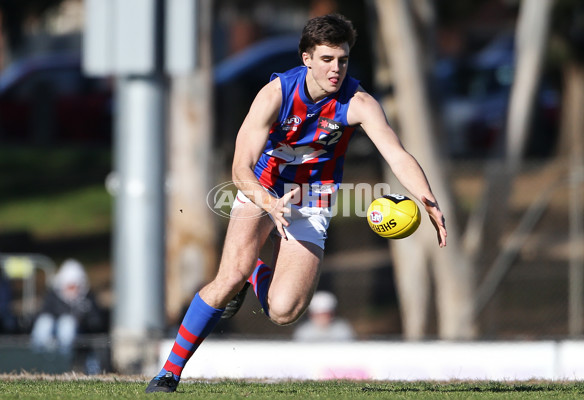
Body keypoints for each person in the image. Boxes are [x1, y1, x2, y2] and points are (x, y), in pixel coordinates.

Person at [146, 13, 446, 393]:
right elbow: (240, 167)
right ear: (306, 58)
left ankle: (256, 272)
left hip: (313, 198)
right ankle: (169, 373)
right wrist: (268, 203)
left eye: (343, 60)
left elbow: (397, 154)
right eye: (326, 59)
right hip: (263, 187)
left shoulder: (359, 103)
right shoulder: (275, 95)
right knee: (227, 278)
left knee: (284, 311)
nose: (336, 69)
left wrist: (428, 198)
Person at [30, 259, 105, 356]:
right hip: (53, 334)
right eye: (69, 286)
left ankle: (64, 358)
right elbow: (44, 314)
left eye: (75, 286)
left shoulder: (88, 299)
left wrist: (82, 314)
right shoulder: (53, 296)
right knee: (45, 322)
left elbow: (96, 322)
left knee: (67, 324)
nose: (73, 289)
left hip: (78, 336)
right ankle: (37, 355)